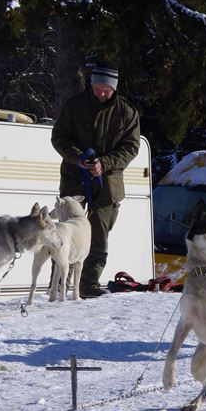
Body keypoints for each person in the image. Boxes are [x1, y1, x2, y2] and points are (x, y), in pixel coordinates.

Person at [51, 60, 140, 298]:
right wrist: (78, 158)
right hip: (73, 181)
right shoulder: (74, 105)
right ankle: (58, 284)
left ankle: (89, 284)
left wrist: (106, 163)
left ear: (115, 87)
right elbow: (58, 137)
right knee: (63, 234)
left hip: (108, 185)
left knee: (98, 235)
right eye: (97, 87)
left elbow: (131, 148)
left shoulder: (127, 112)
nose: (101, 92)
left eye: (106, 89)